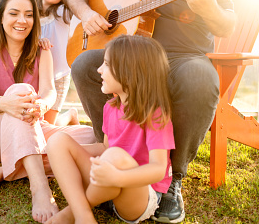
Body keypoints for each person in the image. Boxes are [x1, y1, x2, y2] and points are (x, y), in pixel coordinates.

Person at [68, 0, 236, 223]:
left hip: (182, 61)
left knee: (201, 77)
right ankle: (111, 157)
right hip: (132, 66)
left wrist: (208, 7)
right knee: (84, 64)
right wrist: (88, 14)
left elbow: (226, 25)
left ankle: (173, 180)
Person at [0, 0, 96, 223]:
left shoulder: (42, 50)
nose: (22, 20)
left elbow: (49, 92)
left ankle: (1, 172)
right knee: (21, 91)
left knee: (91, 138)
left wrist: (42, 106)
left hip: (30, 125)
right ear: (1, 17)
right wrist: (6, 103)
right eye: (14, 13)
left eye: (29, 15)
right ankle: (40, 189)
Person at [45, 35, 175, 224]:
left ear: (129, 72)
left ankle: (74, 213)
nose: (99, 69)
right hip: (106, 187)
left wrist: (119, 177)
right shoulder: (111, 107)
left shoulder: (155, 114)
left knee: (115, 156)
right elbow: (104, 148)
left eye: (106, 64)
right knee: (58, 141)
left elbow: (157, 169)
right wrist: (70, 152)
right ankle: (84, 216)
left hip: (138, 194)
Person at [35, 0, 79, 126]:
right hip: (33, 76)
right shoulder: (28, 13)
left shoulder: (64, 13)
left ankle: (70, 115)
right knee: (35, 126)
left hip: (58, 77)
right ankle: (70, 115)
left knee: (47, 129)